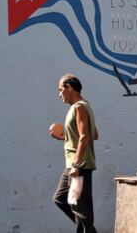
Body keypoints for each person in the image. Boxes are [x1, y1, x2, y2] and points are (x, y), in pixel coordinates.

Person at [50, 74, 98, 233]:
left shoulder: (79, 107)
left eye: (60, 89)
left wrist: (76, 165)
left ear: (69, 87)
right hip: (73, 165)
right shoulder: (85, 106)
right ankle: (88, 229)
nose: (59, 94)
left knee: (80, 208)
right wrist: (63, 138)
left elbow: (85, 136)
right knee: (61, 199)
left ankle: (88, 229)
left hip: (78, 167)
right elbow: (94, 134)